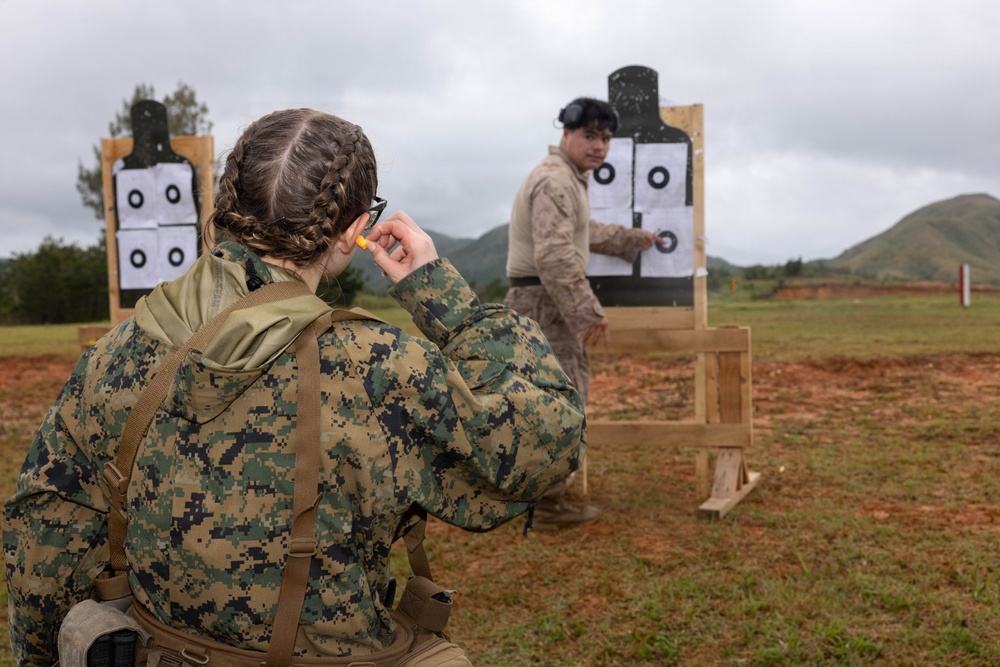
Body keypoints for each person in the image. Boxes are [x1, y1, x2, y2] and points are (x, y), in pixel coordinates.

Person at [3, 108, 586, 665]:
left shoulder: (121, 351)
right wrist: (448, 303)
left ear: (228, 205)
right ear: (355, 228)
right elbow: (549, 440)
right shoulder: (384, 369)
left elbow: (41, 541)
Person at [505, 97, 658, 528]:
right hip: (545, 304)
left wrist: (630, 239)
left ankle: (538, 497)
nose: (600, 146)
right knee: (561, 403)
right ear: (566, 133)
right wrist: (587, 312)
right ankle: (549, 505)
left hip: (542, 301)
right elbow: (554, 256)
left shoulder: (567, 180)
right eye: (590, 135)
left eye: (606, 138)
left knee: (547, 402)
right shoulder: (555, 181)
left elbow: (580, 232)